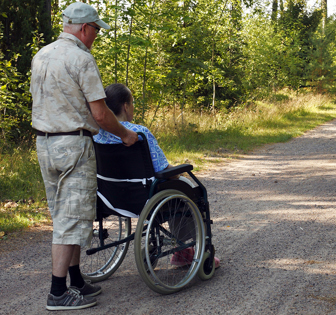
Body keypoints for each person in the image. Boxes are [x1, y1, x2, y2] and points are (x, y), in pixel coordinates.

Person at [30, 2, 138, 311]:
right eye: (95, 31)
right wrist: (125, 134)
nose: (95, 37)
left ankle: (76, 280)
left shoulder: (41, 56)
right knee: (72, 216)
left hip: (45, 144)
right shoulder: (81, 59)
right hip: (73, 145)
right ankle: (57, 292)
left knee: (64, 213)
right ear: (84, 29)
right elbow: (101, 115)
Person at [93, 83, 220, 268]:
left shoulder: (97, 134)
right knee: (186, 187)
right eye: (133, 103)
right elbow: (164, 169)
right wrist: (180, 171)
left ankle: (181, 249)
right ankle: (183, 250)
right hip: (143, 198)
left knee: (174, 187)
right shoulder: (138, 133)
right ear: (126, 106)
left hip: (112, 198)